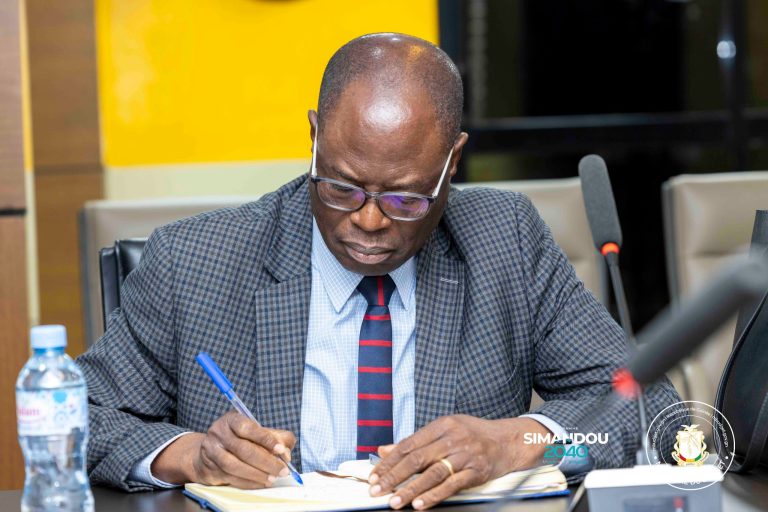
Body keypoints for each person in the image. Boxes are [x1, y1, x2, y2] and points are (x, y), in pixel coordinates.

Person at [78, 33, 682, 509]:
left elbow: (648, 412)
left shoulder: (504, 242)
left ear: (452, 162)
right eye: (341, 187)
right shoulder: (195, 261)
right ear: (314, 138)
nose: (368, 221)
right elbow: (77, 418)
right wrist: (191, 455)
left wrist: (515, 443)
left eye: (405, 198)